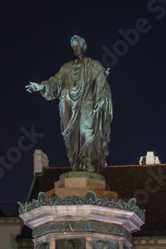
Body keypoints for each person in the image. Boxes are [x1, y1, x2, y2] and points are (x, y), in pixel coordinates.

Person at [26, 35, 112, 174]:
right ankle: (76, 164)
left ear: (83, 47)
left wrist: (101, 101)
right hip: (68, 106)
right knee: (70, 138)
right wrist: (41, 87)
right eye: (73, 46)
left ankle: (89, 163)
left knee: (86, 131)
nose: (75, 48)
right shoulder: (66, 68)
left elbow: (103, 88)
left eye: (77, 45)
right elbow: (55, 82)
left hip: (87, 104)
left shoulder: (95, 66)